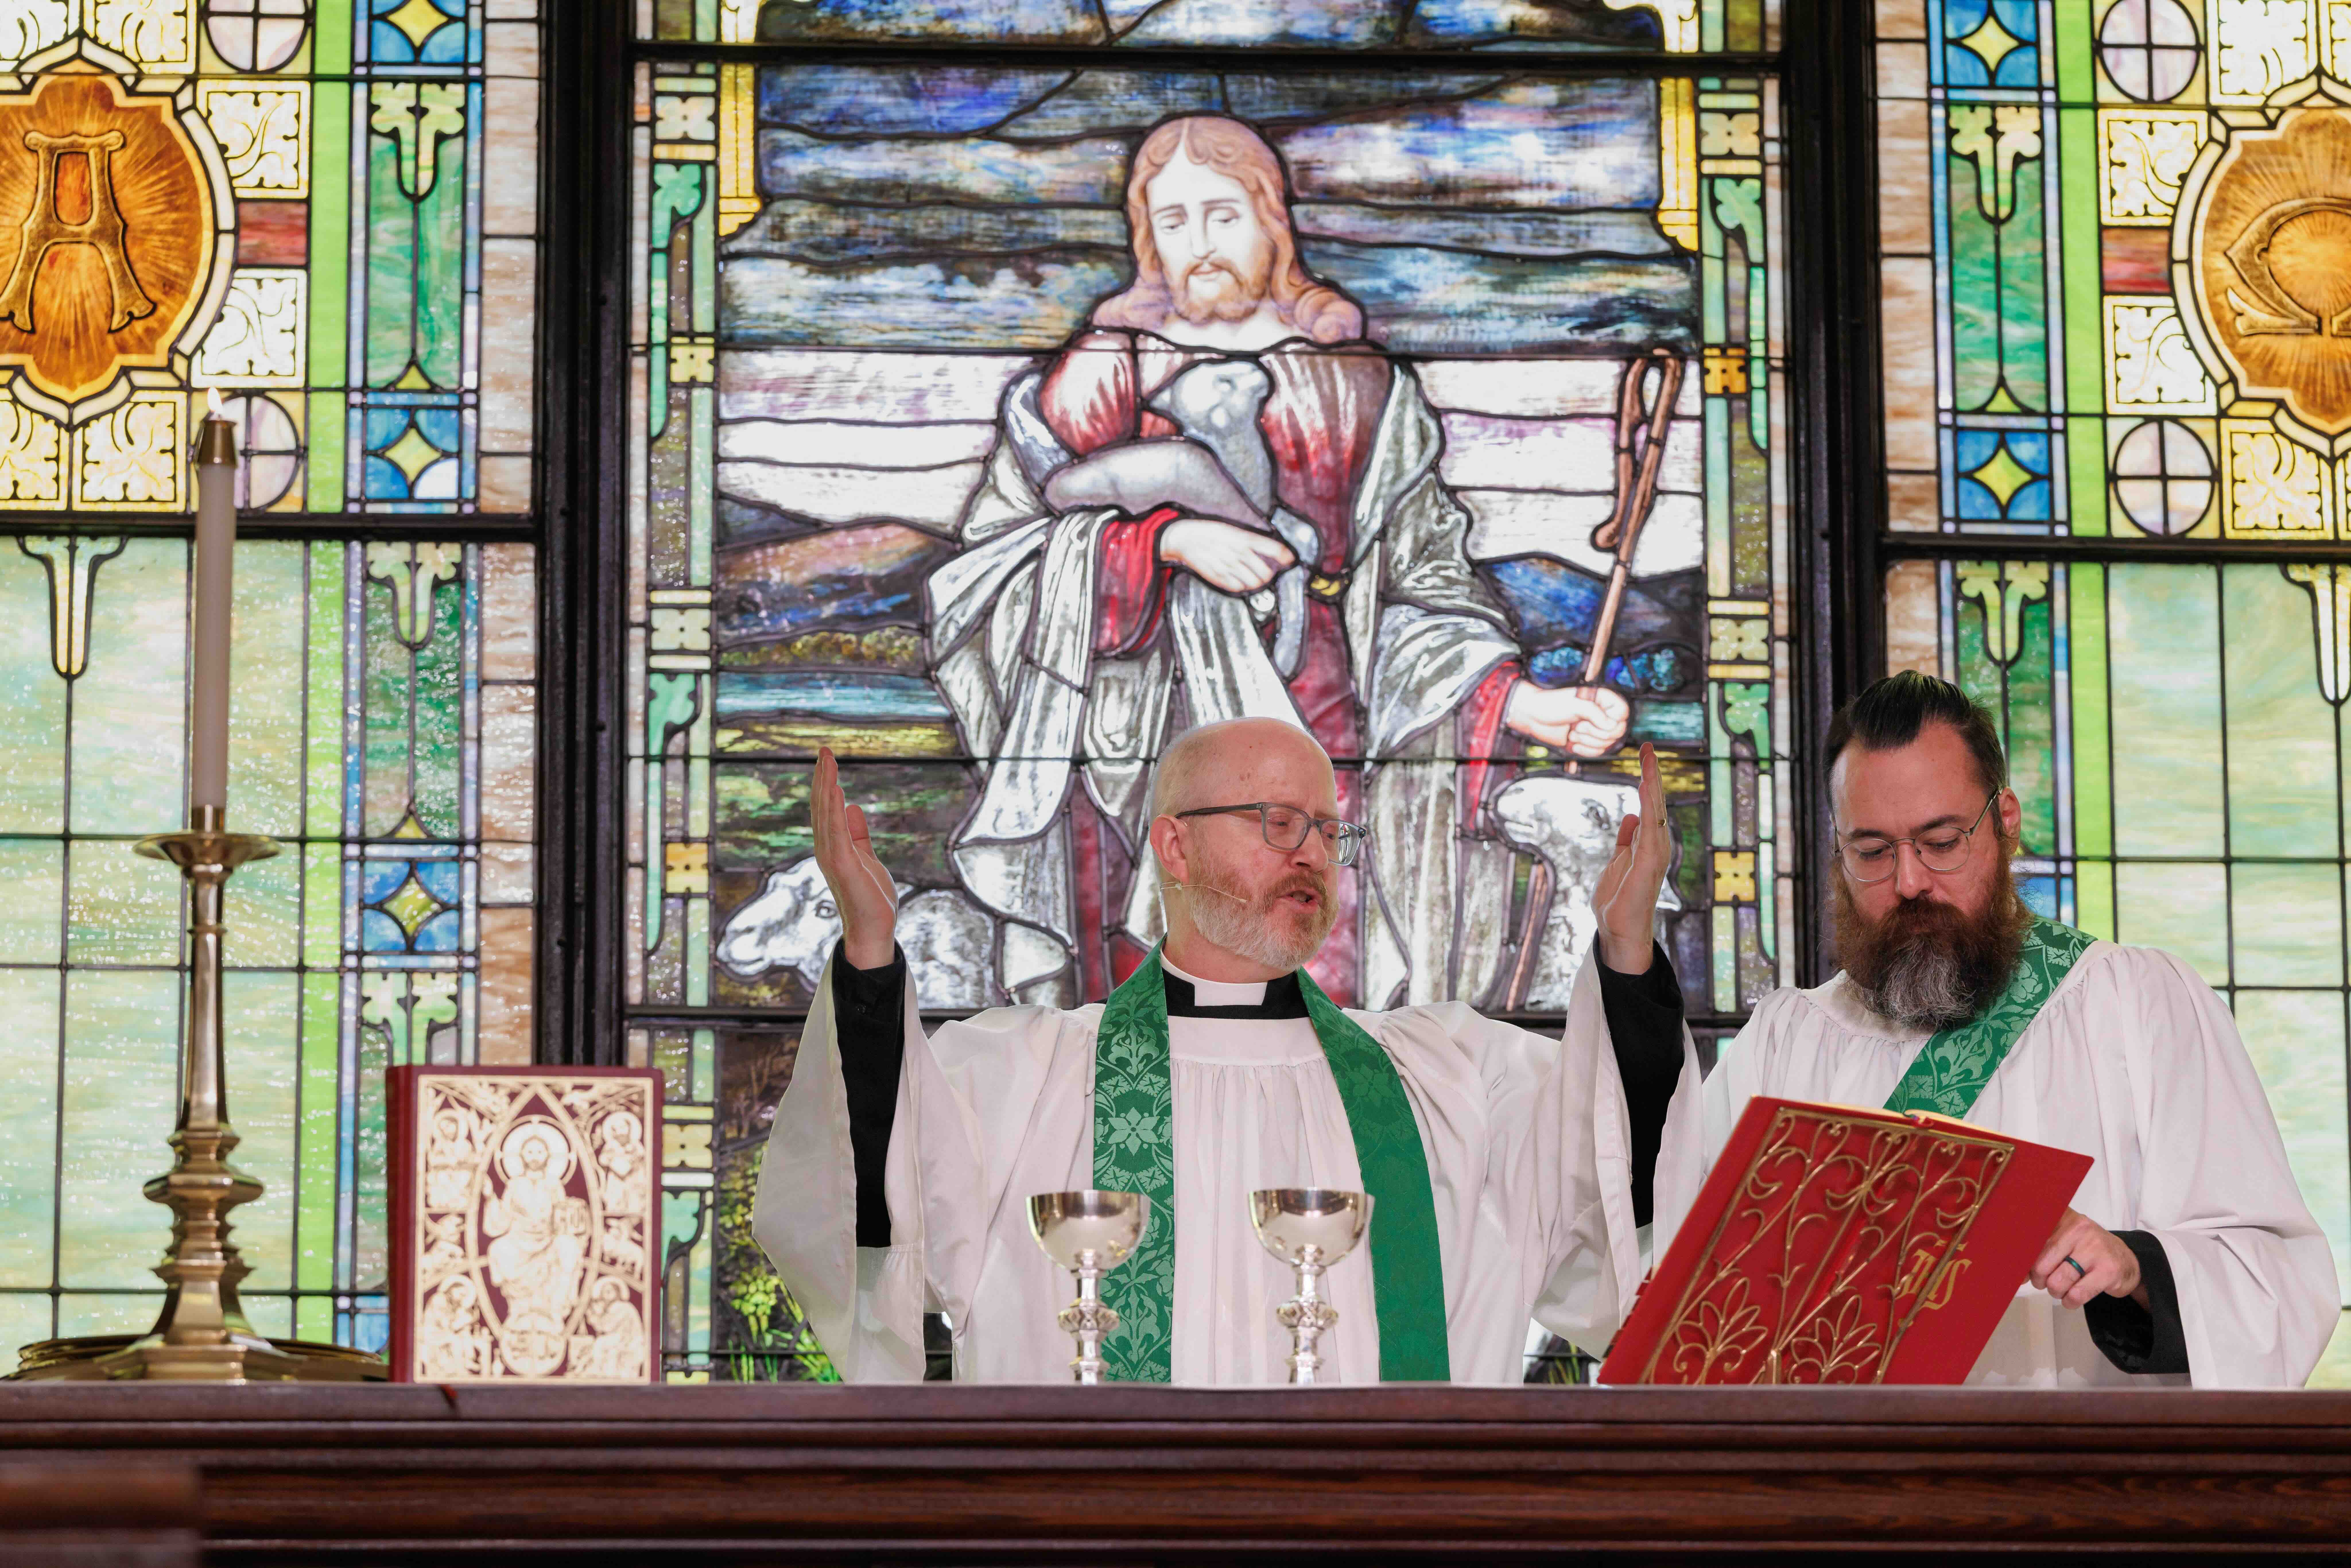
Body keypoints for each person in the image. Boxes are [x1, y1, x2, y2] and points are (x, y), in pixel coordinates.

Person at [926, 113, 1629, 1013]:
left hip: (1325, 742)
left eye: (1223, 214)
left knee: (1320, 1004)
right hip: (1136, 763)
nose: (1200, 243)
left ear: (1272, 221)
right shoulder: (1099, 375)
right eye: (1172, 222)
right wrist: (1163, 544)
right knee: (1149, 1022)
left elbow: (1419, 579)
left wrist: (1519, 700)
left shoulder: (1356, 381)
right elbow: (990, 571)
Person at [751, 720, 1693, 1383]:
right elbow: (878, 1207)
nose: (1313, 853)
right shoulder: (1032, 1075)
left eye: (1328, 829)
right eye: (1278, 822)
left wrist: (1625, 953)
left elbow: (1616, 1183)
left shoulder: (1443, 1076)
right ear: (1174, 845)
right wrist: (873, 961)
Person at [1601, 671, 2337, 1386]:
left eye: (1941, 840)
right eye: (1873, 851)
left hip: (2084, 1492)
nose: (1911, 880)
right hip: (1849, 1497)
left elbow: (2275, 1280)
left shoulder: (2138, 1006)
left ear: (2006, 820)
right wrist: (1629, 955)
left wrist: (2134, 1263)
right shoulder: (1788, 1041)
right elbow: (1657, 1248)